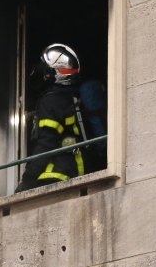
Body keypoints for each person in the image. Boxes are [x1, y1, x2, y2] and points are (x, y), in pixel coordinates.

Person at [16, 43, 97, 192]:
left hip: (57, 174)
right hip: (82, 170)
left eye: (44, 68)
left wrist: (27, 179)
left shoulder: (51, 101)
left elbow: (46, 144)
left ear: (52, 73)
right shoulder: (74, 98)